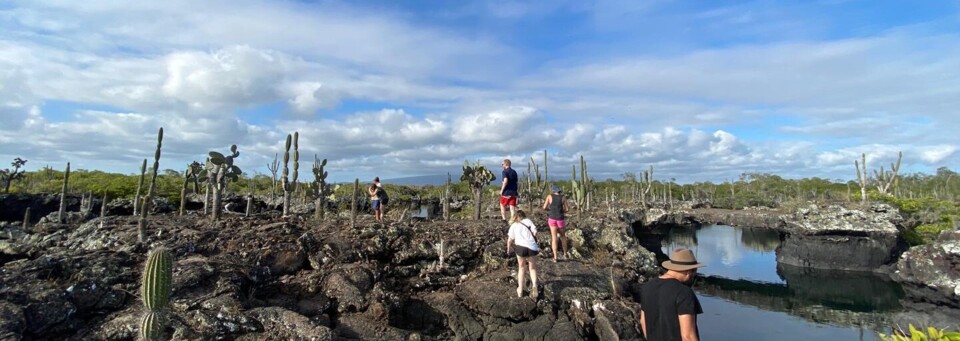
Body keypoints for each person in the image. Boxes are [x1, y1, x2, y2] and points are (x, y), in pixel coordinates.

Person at [639, 248, 705, 341]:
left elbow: (643, 322)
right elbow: (688, 337)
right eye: (694, 272)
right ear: (689, 272)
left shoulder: (647, 286)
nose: (693, 276)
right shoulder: (684, 293)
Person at [506, 210, 539, 298]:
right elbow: (535, 232)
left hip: (520, 247)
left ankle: (520, 289)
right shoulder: (528, 221)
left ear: (515, 217)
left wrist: (508, 249)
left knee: (521, 268)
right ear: (524, 216)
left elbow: (509, 240)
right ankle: (534, 286)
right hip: (532, 247)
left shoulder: (514, 225)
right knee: (532, 268)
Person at [542, 185, 570, 262]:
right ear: (560, 191)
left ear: (553, 191)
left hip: (552, 219)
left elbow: (544, 207)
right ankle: (565, 254)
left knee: (554, 238)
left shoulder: (549, 196)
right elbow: (567, 209)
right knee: (563, 236)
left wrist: (550, 210)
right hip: (560, 219)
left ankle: (555, 257)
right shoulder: (563, 197)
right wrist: (561, 211)